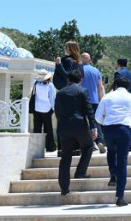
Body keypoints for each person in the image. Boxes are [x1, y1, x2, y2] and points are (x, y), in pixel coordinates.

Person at [95, 76, 131, 207]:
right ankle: (120, 197)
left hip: (109, 130)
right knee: (122, 161)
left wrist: (106, 124)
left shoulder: (107, 97)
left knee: (111, 150)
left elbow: (97, 117)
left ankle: (113, 172)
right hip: (124, 130)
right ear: (128, 86)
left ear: (116, 84)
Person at [54, 69, 96, 197]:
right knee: (88, 146)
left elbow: (56, 110)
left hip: (64, 128)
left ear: (68, 80)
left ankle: (64, 188)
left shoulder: (60, 93)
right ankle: (80, 171)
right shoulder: (82, 91)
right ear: (80, 80)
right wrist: (93, 127)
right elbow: (89, 110)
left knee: (65, 157)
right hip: (80, 127)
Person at [80, 53, 106, 153]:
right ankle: (100, 140)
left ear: (82, 59)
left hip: (82, 99)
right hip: (95, 100)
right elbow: (100, 87)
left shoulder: (79, 70)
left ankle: (91, 143)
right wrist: (101, 100)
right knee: (95, 121)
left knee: (84, 121)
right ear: (90, 60)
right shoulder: (96, 71)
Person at [30, 70, 57, 153]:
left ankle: (36, 147)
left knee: (37, 128)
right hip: (47, 109)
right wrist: (53, 108)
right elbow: (52, 98)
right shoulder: (50, 85)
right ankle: (50, 147)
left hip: (37, 108)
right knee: (48, 128)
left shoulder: (36, 83)